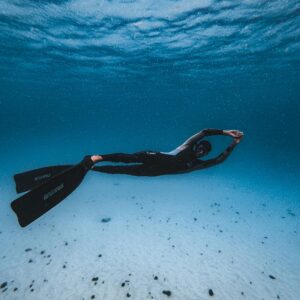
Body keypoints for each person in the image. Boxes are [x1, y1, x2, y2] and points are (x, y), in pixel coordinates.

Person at [89, 129, 244, 176]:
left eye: (205, 152)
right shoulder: (187, 146)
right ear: (196, 147)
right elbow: (204, 132)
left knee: (123, 171)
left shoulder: (199, 164)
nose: (202, 152)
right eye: (201, 148)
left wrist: (234, 144)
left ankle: (93, 168)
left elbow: (219, 160)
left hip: (153, 171)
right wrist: (225, 132)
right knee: (128, 158)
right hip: (153, 156)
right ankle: (99, 157)